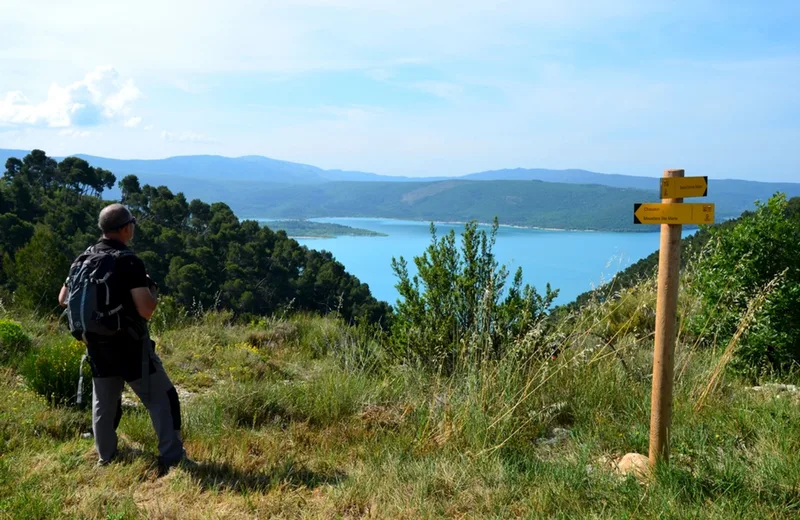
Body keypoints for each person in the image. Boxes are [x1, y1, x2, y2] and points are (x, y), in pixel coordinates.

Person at [59, 203, 188, 471]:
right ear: (126, 228)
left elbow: (63, 299)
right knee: (163, 398)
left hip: (95, 345)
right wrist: (151, 287)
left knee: (104, 404)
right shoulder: (129, 261)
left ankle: (106, 457)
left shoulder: (83, 258)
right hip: (130, 346)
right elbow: (146, 309)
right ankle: (171, 457)